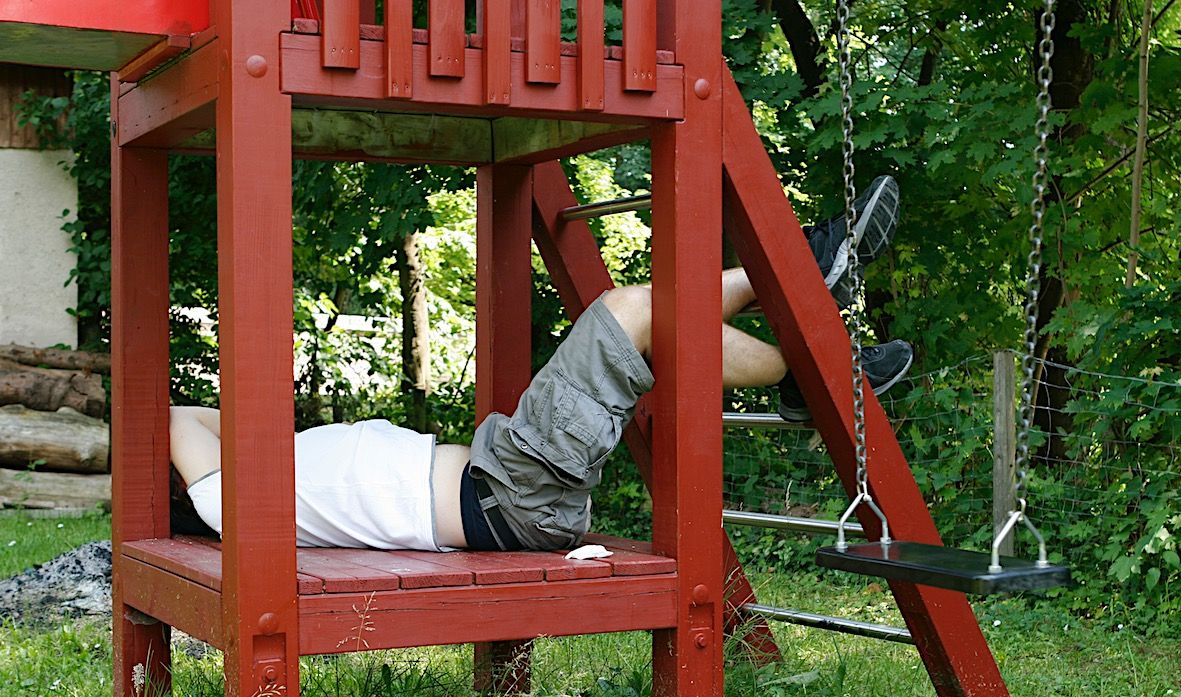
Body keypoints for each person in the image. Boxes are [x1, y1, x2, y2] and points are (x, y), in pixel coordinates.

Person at [170, 176, 910, 551]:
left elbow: (219, 425)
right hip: (508, 492)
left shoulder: (267, 478)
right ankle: (806, 303)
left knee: (645, 317)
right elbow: (178, 417)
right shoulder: (226, 504)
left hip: (512, 486)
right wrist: (169, 462)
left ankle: (806, 311)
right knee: (628, 313)